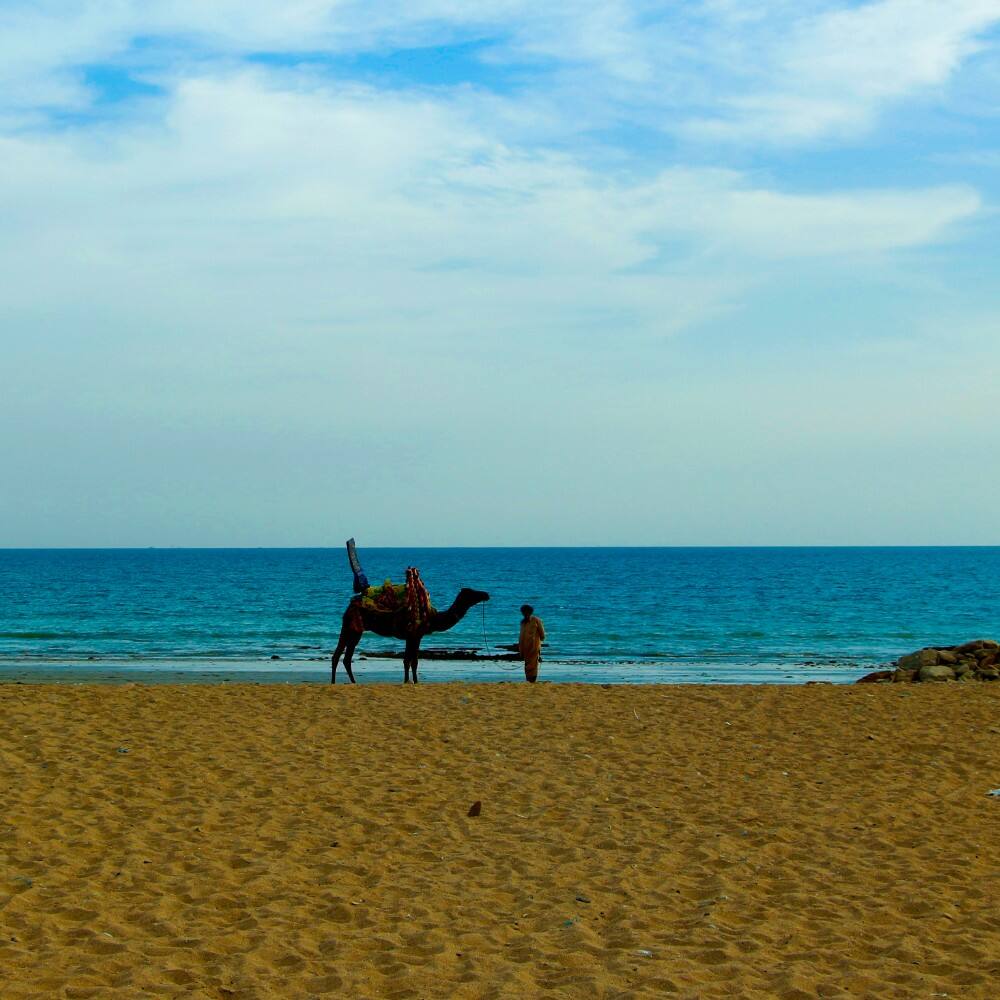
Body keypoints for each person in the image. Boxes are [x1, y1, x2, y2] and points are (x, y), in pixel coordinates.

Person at [518, 604, 545, 683]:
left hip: (534, 647)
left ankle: (532, 681)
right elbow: (521, 635)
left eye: (525, 612)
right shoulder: (522, 622)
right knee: (527, 665)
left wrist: (539, 644)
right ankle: (528, 680)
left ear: (530, 612)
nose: (524, 613)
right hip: (524, 647)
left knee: (533, 665)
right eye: (523, 612)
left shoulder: (536, 620)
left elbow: (542, 634)